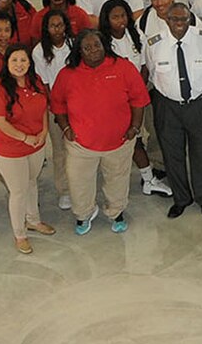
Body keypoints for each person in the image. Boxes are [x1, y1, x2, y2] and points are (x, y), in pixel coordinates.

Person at [51, 28, 151, 234]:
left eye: (97, 45)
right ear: (79, 51)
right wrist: (66, 128)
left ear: (105, 45)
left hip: (119, 141)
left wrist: (135, 128)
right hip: (81, 145)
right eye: (86, 47)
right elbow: (58, 105)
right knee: (79, 183)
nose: (93, 50)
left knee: (117, 180)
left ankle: (116, 212)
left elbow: (139, 99)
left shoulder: (123, 67)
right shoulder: (67, 74)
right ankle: (84, 215)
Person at [142, 2, 202, 218]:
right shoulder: (155, 43)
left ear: (189, 19)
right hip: (168, 105)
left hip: (198, 104)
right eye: (174, 19)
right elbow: (153, 71)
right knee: (172, 154)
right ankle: (181, 198)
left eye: (184, 19)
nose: (179, 24)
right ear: (167, 20)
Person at [0, 43, 54, 253]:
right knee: (18, 191)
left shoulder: (36, 82)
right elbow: (0, 122)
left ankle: (33, 220)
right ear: (6, 63)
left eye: (23, 60)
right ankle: (20, 234)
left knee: (32, 182)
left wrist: (43, 132)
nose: (19, 64)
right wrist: (25, 138)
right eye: (14, 60)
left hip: (35, 144)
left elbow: (44, 108)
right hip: (10, 149)